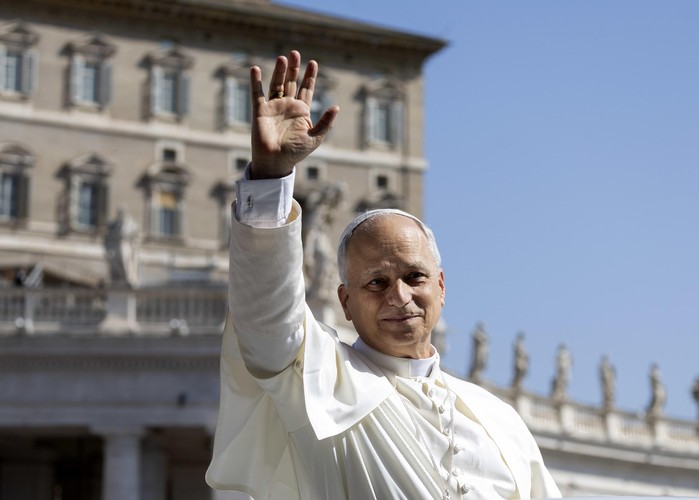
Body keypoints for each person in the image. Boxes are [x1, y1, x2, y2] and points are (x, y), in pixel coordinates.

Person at [206, 50, 560, 500]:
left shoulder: (499, 420)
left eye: (414, 276)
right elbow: (265, 317)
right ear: (346, 302)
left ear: (441, 287)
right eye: (376, 282)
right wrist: (270, 179)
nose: (399, 296)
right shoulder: (318, 382)